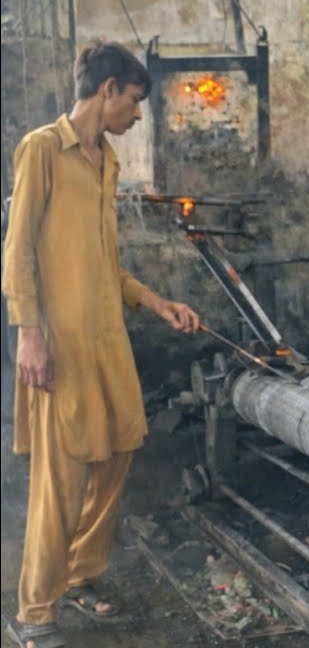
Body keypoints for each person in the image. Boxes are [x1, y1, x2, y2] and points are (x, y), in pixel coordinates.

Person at [3, 39, 201, 648]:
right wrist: (30, 335)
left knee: (118, 452)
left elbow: (106, 263)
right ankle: (35, 614)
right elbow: (17, 254)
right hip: (57, 344)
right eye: (136, 101)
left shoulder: (105, 160)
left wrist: (155, 300)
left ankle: (80, 575)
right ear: (108, 90)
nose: (138, 115)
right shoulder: (42, 148)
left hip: (107, 342)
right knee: (60, 481)